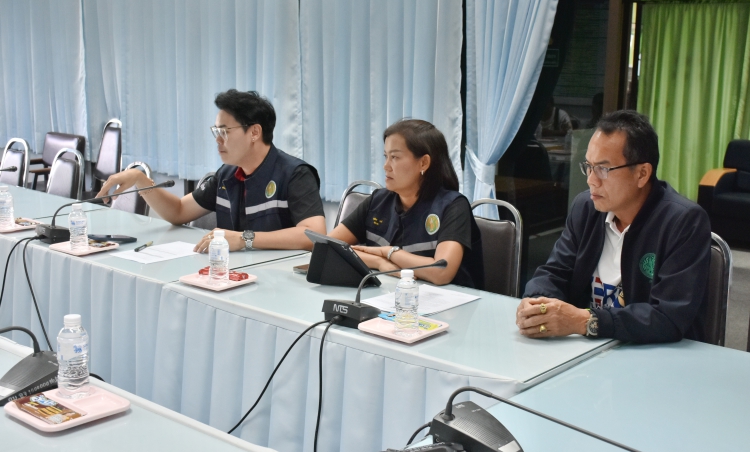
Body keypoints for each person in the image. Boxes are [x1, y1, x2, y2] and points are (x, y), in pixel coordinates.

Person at [516, 110, 710, 343]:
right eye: (588, 166)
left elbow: (667, 317)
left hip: (654, 354)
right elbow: (555, 272)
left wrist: (584, 321)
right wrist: (537, 303)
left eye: (603, 169)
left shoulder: (683, 222)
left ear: (642, 174)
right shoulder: (586, 208)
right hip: (589, 348)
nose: (591, 180)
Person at [96, 89, 326, 252]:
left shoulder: (295, 174)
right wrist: (140, 179)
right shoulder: (227, 175)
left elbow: (313, 234)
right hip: (233, 274)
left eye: (224, 132)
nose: (218, 140)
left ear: (255, 132)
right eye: (216, 132)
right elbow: (178, 211)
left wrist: (245, 239)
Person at [327, 119, 484, 289]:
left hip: (449, 301)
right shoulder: (378, 200)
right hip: (389, 295)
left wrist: (389, 252)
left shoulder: (453, 206)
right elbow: (328, 247)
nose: (386, 166)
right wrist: (379, 262)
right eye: (386, 156)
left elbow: (441, 271)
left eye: (394, 157)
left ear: (423, 163)